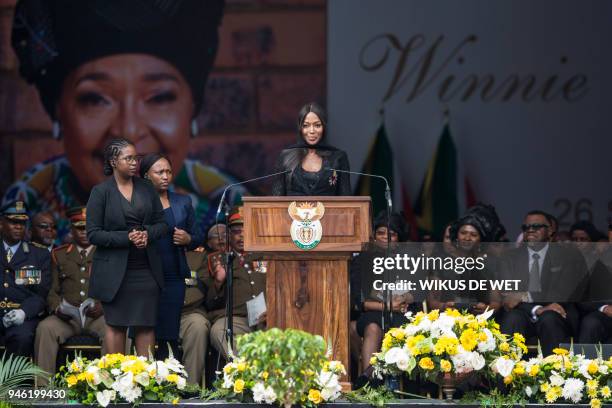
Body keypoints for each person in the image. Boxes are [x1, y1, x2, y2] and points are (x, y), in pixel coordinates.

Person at [6, 0, 243, 240]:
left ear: (192, 110)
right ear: (58, 111)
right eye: (95, 99)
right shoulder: (16, 241)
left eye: (159, 97)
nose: (128, 130)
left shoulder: (236, 232)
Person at [86, 138, 168, 356]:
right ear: (114, 161)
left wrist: (147, 234)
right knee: (116, 325)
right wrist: (127, 237)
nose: (134, 163)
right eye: (128, 158)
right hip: (114, 272)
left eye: (136, 158)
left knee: (146, 324)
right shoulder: (100, 192)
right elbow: (93, 234)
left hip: (146, 268)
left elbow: (163, 224)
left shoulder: (147, 188)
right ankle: (116, 384)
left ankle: (145, 384)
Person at [499, 210, 588, 355]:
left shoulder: (568, 256)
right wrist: (537, 309)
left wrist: (526, 295)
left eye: (536, 226)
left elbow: (564, 291)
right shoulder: (509, 258)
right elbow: (509, 297)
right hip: (523, 313)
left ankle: (555, 375)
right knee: (512, 317)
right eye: (526, 227)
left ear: (550, 230)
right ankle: (505, 375)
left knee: (549, 318)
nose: (531, 230)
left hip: (559, 312)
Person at [139, 153, 202, 357]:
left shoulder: (182, 202)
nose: (165, 176)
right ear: (146, 176)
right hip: (144, 275)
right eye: (159, 172)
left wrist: (188, 240)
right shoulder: (136, 203)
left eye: (168, 171)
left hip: (174, 276)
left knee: (169, 334)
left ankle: (170, 383)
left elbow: (199, 236)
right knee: (144, 331)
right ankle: (143, 381)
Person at [34, 206, 104, 383]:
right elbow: (52, 290)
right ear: (71, 230)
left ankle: (112, 388)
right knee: (45, 328)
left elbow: (116, 287)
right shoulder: (59, 255)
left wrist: (103, 307)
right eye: (80, 228)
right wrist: (57, 308)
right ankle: (43, 391)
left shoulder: (106, 253)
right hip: (68, 318)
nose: (84, 232)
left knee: (118, 329)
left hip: (97, 317)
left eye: (88, 227)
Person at [351, 211, 419, 387]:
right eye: (380, 233)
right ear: (373, 236)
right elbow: (359, 302)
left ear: (399, 238)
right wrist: (388, 305)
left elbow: (418, 291)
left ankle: (372, 375)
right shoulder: (362, 261)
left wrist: (404, 297)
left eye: (391, 234)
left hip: (403, 315)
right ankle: (370, 382)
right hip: (373, 314)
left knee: (400, 329)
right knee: (373, 328)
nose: (384, 238)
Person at [205, 207, 266, 358]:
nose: (241, 236)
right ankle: (241, 370)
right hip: (238, 319)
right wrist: (219, 281)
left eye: (245, 231)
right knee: (218, 331)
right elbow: (210, 302)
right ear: (229, 236)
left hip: (266, 316)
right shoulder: (219, 259)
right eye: (236, 232)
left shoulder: (264, 256)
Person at [0, 200, 51, 357]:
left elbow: (42, 292)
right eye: (13, 222)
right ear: (1, 224)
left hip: (23, 317)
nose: (18, 227)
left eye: (22, 223)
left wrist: (23, 312)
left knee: (23, 337)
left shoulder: (39, 255)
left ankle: (15, 382)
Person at [272, 102, 351, 196]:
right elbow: (276, 201)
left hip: (330, 211)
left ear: (324, 127)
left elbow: (346, 201)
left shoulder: (338, 157)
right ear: (300, 128)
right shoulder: (286, 157)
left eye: (317, 125)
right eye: (306, 125)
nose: (312, 131)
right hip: (292, 211)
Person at [181, 245, 211, 386]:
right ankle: (145, 386)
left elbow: (204, 286)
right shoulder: (153, 250)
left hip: (189, 311)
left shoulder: (198, 256)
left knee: (198, 326)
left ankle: (190, 387)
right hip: (156, 310)